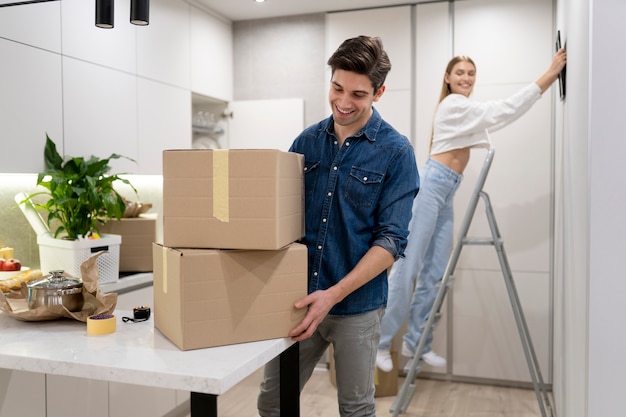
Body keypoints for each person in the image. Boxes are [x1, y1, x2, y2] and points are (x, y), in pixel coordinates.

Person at [257, 35, 420, 417]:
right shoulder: (306, 142)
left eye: (358, 95)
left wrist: (333, 294)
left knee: (356, 409)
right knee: (272, 403)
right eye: (337, 88)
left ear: (379, 92)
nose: (344, 103)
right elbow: (283, 220)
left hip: (358, 307)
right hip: (297, 301)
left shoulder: (397, 152)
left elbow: (391, 241)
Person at [376, 48, 567, 372]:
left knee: (434, 274)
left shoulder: (463, 109)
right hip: (433, 187)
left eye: (471, 73)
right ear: (448, 79)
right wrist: (549, 74)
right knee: (407, 268)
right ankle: (380, 342)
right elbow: (504, 110)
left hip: (447, 191)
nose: (466, 78)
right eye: (460, 72)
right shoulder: (454, 105)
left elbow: (496, 116)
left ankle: (416, 342)